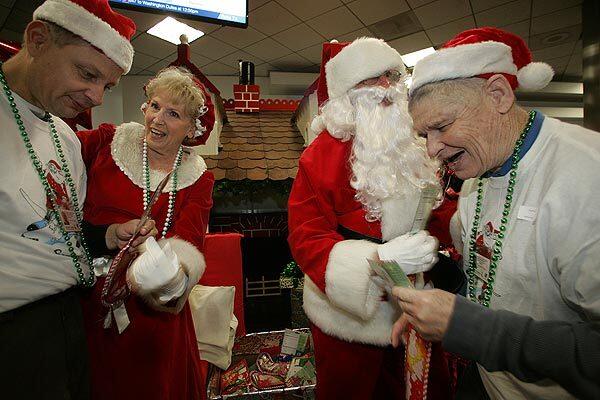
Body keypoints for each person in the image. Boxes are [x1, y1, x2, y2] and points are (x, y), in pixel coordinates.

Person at [392, 27, 600, 399]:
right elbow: (495, 277)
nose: (432, 149)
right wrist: (433, 305)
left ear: (499, 95)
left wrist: (468, 326)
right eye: (424, 135)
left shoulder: (587, 177)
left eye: (441, 127)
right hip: (487, 383)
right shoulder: (476, 172)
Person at [0, 1, 156, 399]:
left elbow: (58, 233)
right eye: (87, 74)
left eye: (106, 85)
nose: (96, 97)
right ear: (37, 40)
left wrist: (107, 235)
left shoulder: (65, 137)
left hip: (68, 324)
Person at [287, 37, 452, 399]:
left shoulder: (419, 144)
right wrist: (377, 262)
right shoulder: (320, 156)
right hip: (348, 319)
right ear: (348, 93)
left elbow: (439, 213)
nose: (386, 87)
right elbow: (306, 235)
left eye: (392, 76)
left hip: (417, 306)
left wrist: (438, 243)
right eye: (373, 79)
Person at [77, 66, 215, 400]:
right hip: (88, 302)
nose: (157, 120)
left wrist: (162, 267)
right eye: (154, 106)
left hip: (153, 317)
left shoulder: (197, 177)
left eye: (173, 113)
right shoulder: (107, 141)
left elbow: (188, 242)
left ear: (191, 129)